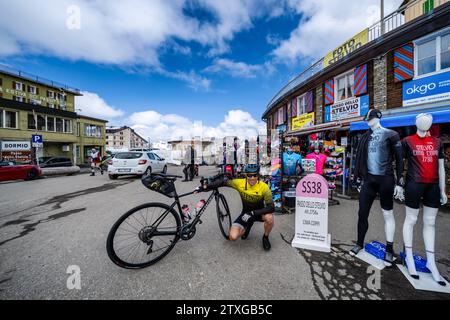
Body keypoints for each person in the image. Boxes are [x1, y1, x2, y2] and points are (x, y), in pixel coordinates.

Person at [349, 109, 404, 264]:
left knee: (388, 215)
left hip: (386, 179)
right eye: (367, 118)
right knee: (362, 213)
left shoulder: (391, 134)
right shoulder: (364, 137)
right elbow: (360, 159)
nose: (368, 120)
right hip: (369, 180)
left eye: (370, 118)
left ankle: (389, 249)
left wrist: (400, 181)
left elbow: (400, 159)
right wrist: (358, 179)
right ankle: (359, 243)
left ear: (378, 117)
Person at [401, 113, 447, 286]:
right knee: (411, 219)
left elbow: (441, 168)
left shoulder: (438, 142)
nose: (425, 122)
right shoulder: (407, 141)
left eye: (428, 120)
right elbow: (401, 164)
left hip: (433, 185)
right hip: (414, 183)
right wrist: (400, 183)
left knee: (430, 223)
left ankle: (431, 261)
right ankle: (410, 259)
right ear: (415, 122)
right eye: (421, 120)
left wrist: (443, 190)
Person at [201, 164, 274, 251]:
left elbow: (271, 208)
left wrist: (252, 213)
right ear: (246, 175)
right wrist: (205, 187)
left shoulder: (264, 187)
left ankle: (265, 237)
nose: (252, 178)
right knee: (233, 237)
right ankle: (247, 225)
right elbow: (223, 182)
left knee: (270, 218)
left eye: (255, 175)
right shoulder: (240, 183)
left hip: (258, 213)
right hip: (245, 214)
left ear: (258, 175)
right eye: (249, 175)